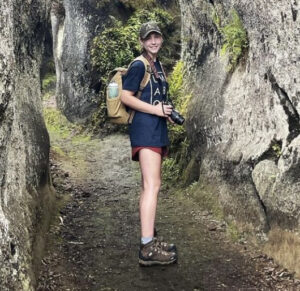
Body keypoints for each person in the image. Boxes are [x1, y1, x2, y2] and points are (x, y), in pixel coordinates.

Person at [121, 22, 177, 266]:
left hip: (156, 127)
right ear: (142, 42)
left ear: (160, 39)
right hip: (145, 130)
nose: (153, 41)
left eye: (157, 37)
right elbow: (125, 96)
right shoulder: (138, 65)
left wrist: (165, 112)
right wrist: (155, 110)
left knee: (150, 185)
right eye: (148, 38)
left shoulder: (158, 66)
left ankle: (150, 237)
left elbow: (156, 97)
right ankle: (146, 248)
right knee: (152, 186)